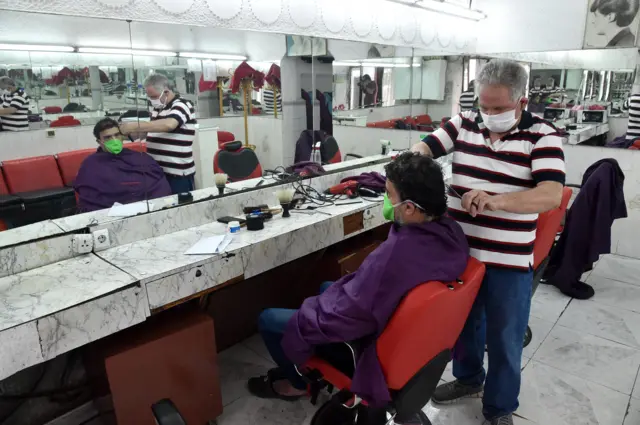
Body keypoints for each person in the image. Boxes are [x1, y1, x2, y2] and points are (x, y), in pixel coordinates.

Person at [247, 153, 469, 412]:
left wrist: (310, 313)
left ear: (409, 207)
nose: (386, 200)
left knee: (268, 319)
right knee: (325, 287)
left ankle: (297, 383)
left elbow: (350, 312)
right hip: (404, 328)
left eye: (389, 193)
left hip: (369, 343)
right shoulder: (450, 232)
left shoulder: (396, 256)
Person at [411, 59, 565, 425]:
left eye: (499, 108)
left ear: (521, 103)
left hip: (509, 260)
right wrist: (413, 166)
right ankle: (468, 379)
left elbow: (550, 195)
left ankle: (499, 408)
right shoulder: (464, 123)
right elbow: (425, 148)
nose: (488, 114)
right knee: (464, 327)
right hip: (461, 254)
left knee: (505, 338)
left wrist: (496, 200)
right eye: (484, 106)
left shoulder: (543, 135)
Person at [120, 74, 197, 194]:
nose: (152, 100)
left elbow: (169, 125)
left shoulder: (182, 105)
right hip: (157, 172)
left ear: (166, 92)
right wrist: (120, 136)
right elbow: (150, 131)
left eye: (154, 96)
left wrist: (135, 125)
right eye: (149, 97)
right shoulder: (157, 109)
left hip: (178, 174)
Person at [75, 118, 171, 212]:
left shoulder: (140, 157)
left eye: (117, 135)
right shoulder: (90, 165)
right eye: (108, 137)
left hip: (147, 210)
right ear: (99, 142)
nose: (114, 140)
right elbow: (90, 198)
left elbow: (159, 184)